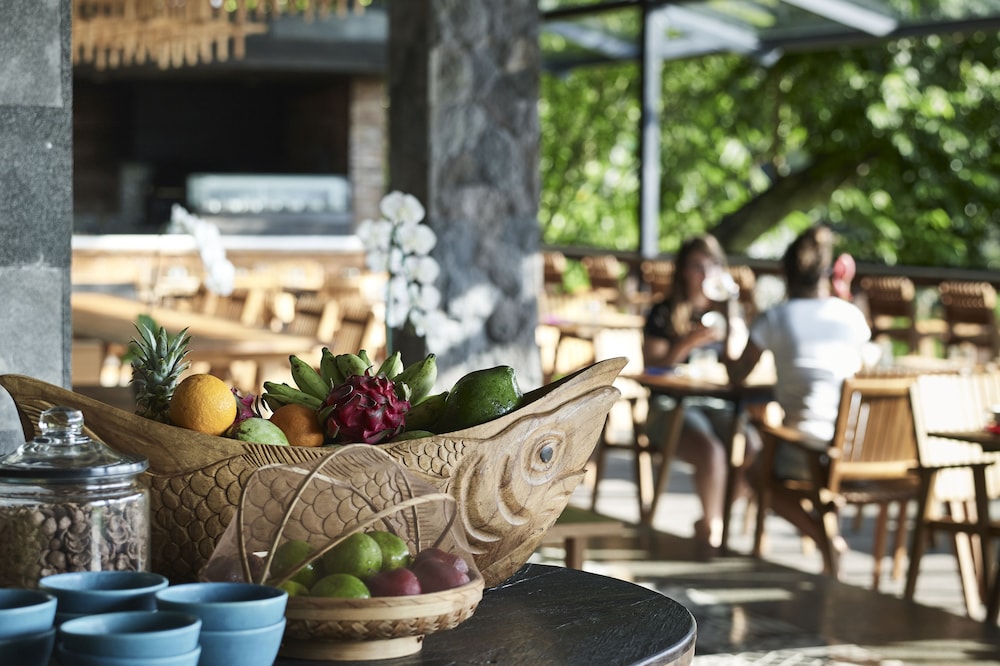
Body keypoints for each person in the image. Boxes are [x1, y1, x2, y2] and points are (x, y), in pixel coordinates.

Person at [724, 224, 871, 556]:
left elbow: (737, 375)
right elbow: (861, 376)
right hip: (859, 449)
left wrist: (728, 319)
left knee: (755, 473)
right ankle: (827, 539)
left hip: (809, 452)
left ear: (785, 274)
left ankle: (823, 538)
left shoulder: (776, 318)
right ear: (828, 273)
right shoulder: (852, 317)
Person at [642, 234, 754, 556]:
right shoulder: (663, 312)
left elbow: (737, 363)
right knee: (711, 452)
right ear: (682, 271)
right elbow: (653, 366)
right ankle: (714, 528)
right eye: (696, 266)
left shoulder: (727, 315)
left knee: (754, 449)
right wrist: (688, 342)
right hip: (669, 404)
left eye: (712, 265)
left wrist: (731, 314)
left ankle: (710, 520)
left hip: (716, 402)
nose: (705, 274)